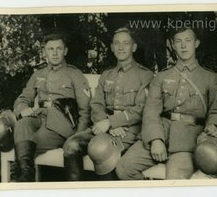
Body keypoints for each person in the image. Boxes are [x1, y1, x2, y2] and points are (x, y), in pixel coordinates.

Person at [115, 27, 217, 180]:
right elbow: (151, 111)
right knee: (123, 168)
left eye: (188, 41)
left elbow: (216, 110)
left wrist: (213, 126)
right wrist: (155, 140)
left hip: (189, 142)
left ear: (196, 43)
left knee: (175, 178)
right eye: (178, 42)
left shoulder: (209, 77)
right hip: (161, 132)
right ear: (173, 45)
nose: (183, 46)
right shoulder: (161, 76)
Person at [63, 27, 154, 181]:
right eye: (117, 43)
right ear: (112, 47)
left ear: (134, 47)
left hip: (128, 131)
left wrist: (111, 122)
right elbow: (96, 104)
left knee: (104, 150)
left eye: (126, 43)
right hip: (102, 127)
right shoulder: (107, 75)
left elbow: (141, 109)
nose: (120, 47)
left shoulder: (145, 75)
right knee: (71, 146)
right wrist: (107, 123)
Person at [12, 33, 91, 182]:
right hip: (39, 117)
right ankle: (26, 175)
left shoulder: (74, 74)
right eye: (50, 49)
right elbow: (23, 98)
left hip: (62, 125)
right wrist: (22, 109)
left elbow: (85, 109)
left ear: (65, 51)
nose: (54, 53)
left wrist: (78, 136)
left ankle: (22, 179)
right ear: (44, 52)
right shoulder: (38, 74)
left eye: (58, 49)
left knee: (30, 141)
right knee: (22, 124)